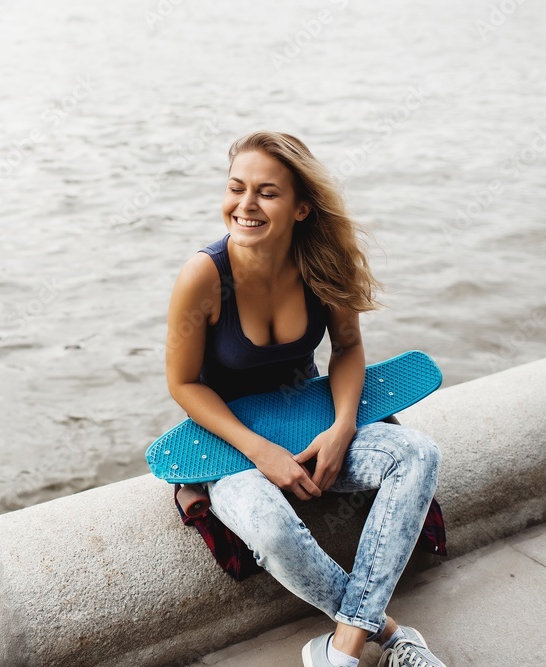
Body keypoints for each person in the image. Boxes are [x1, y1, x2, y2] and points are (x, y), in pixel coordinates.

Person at [164, 131, 447, 667]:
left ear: (301, 208)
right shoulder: (202, 275)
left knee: (418, 453)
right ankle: (386, 636)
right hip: (230, 445)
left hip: (311, 424)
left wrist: (342, 428)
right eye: (235, 188)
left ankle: (337, 650)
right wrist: (258, 451)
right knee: (267, 524)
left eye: (267, 193)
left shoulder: (323, 264)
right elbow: (183, 384)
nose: (245, 206)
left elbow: (347, 348)